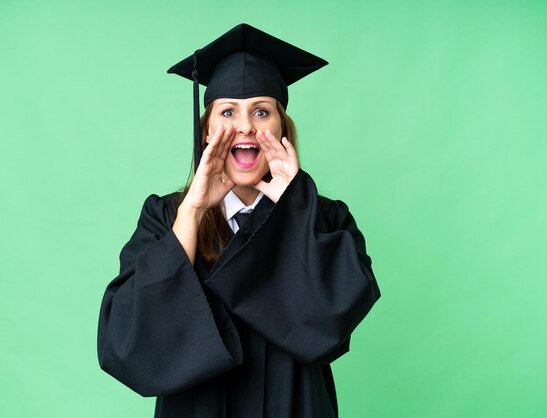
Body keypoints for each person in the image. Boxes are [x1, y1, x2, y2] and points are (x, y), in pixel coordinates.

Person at [97, 23, 381, 418]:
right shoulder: (165, 216)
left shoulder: (326, 217)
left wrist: (294, 208)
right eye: (228, 111)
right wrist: (193, 213)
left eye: (261, 112)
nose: (245, 126)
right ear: (206, 131)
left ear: (281, 128)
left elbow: (332, 325)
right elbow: (130, 341)